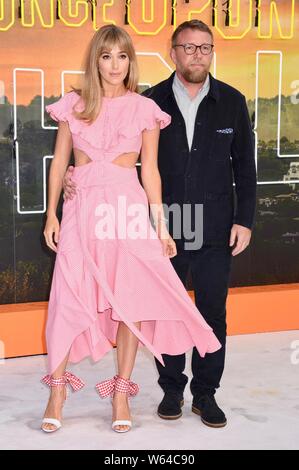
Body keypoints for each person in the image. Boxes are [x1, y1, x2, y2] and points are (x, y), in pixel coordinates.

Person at [63, 20, 257, 429]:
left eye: (204, 47)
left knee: (211, 312)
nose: (196, 55)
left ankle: (206, 394)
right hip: (157, 225)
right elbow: (126, 157)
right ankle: (171, 389)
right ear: (173, 53)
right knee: (159, 308)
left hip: (215, 224)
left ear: (212, 51)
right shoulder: (148, 102)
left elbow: (245, 166)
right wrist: (73, 176)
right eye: (188, 47)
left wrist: (245, 219)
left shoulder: (233, 102)